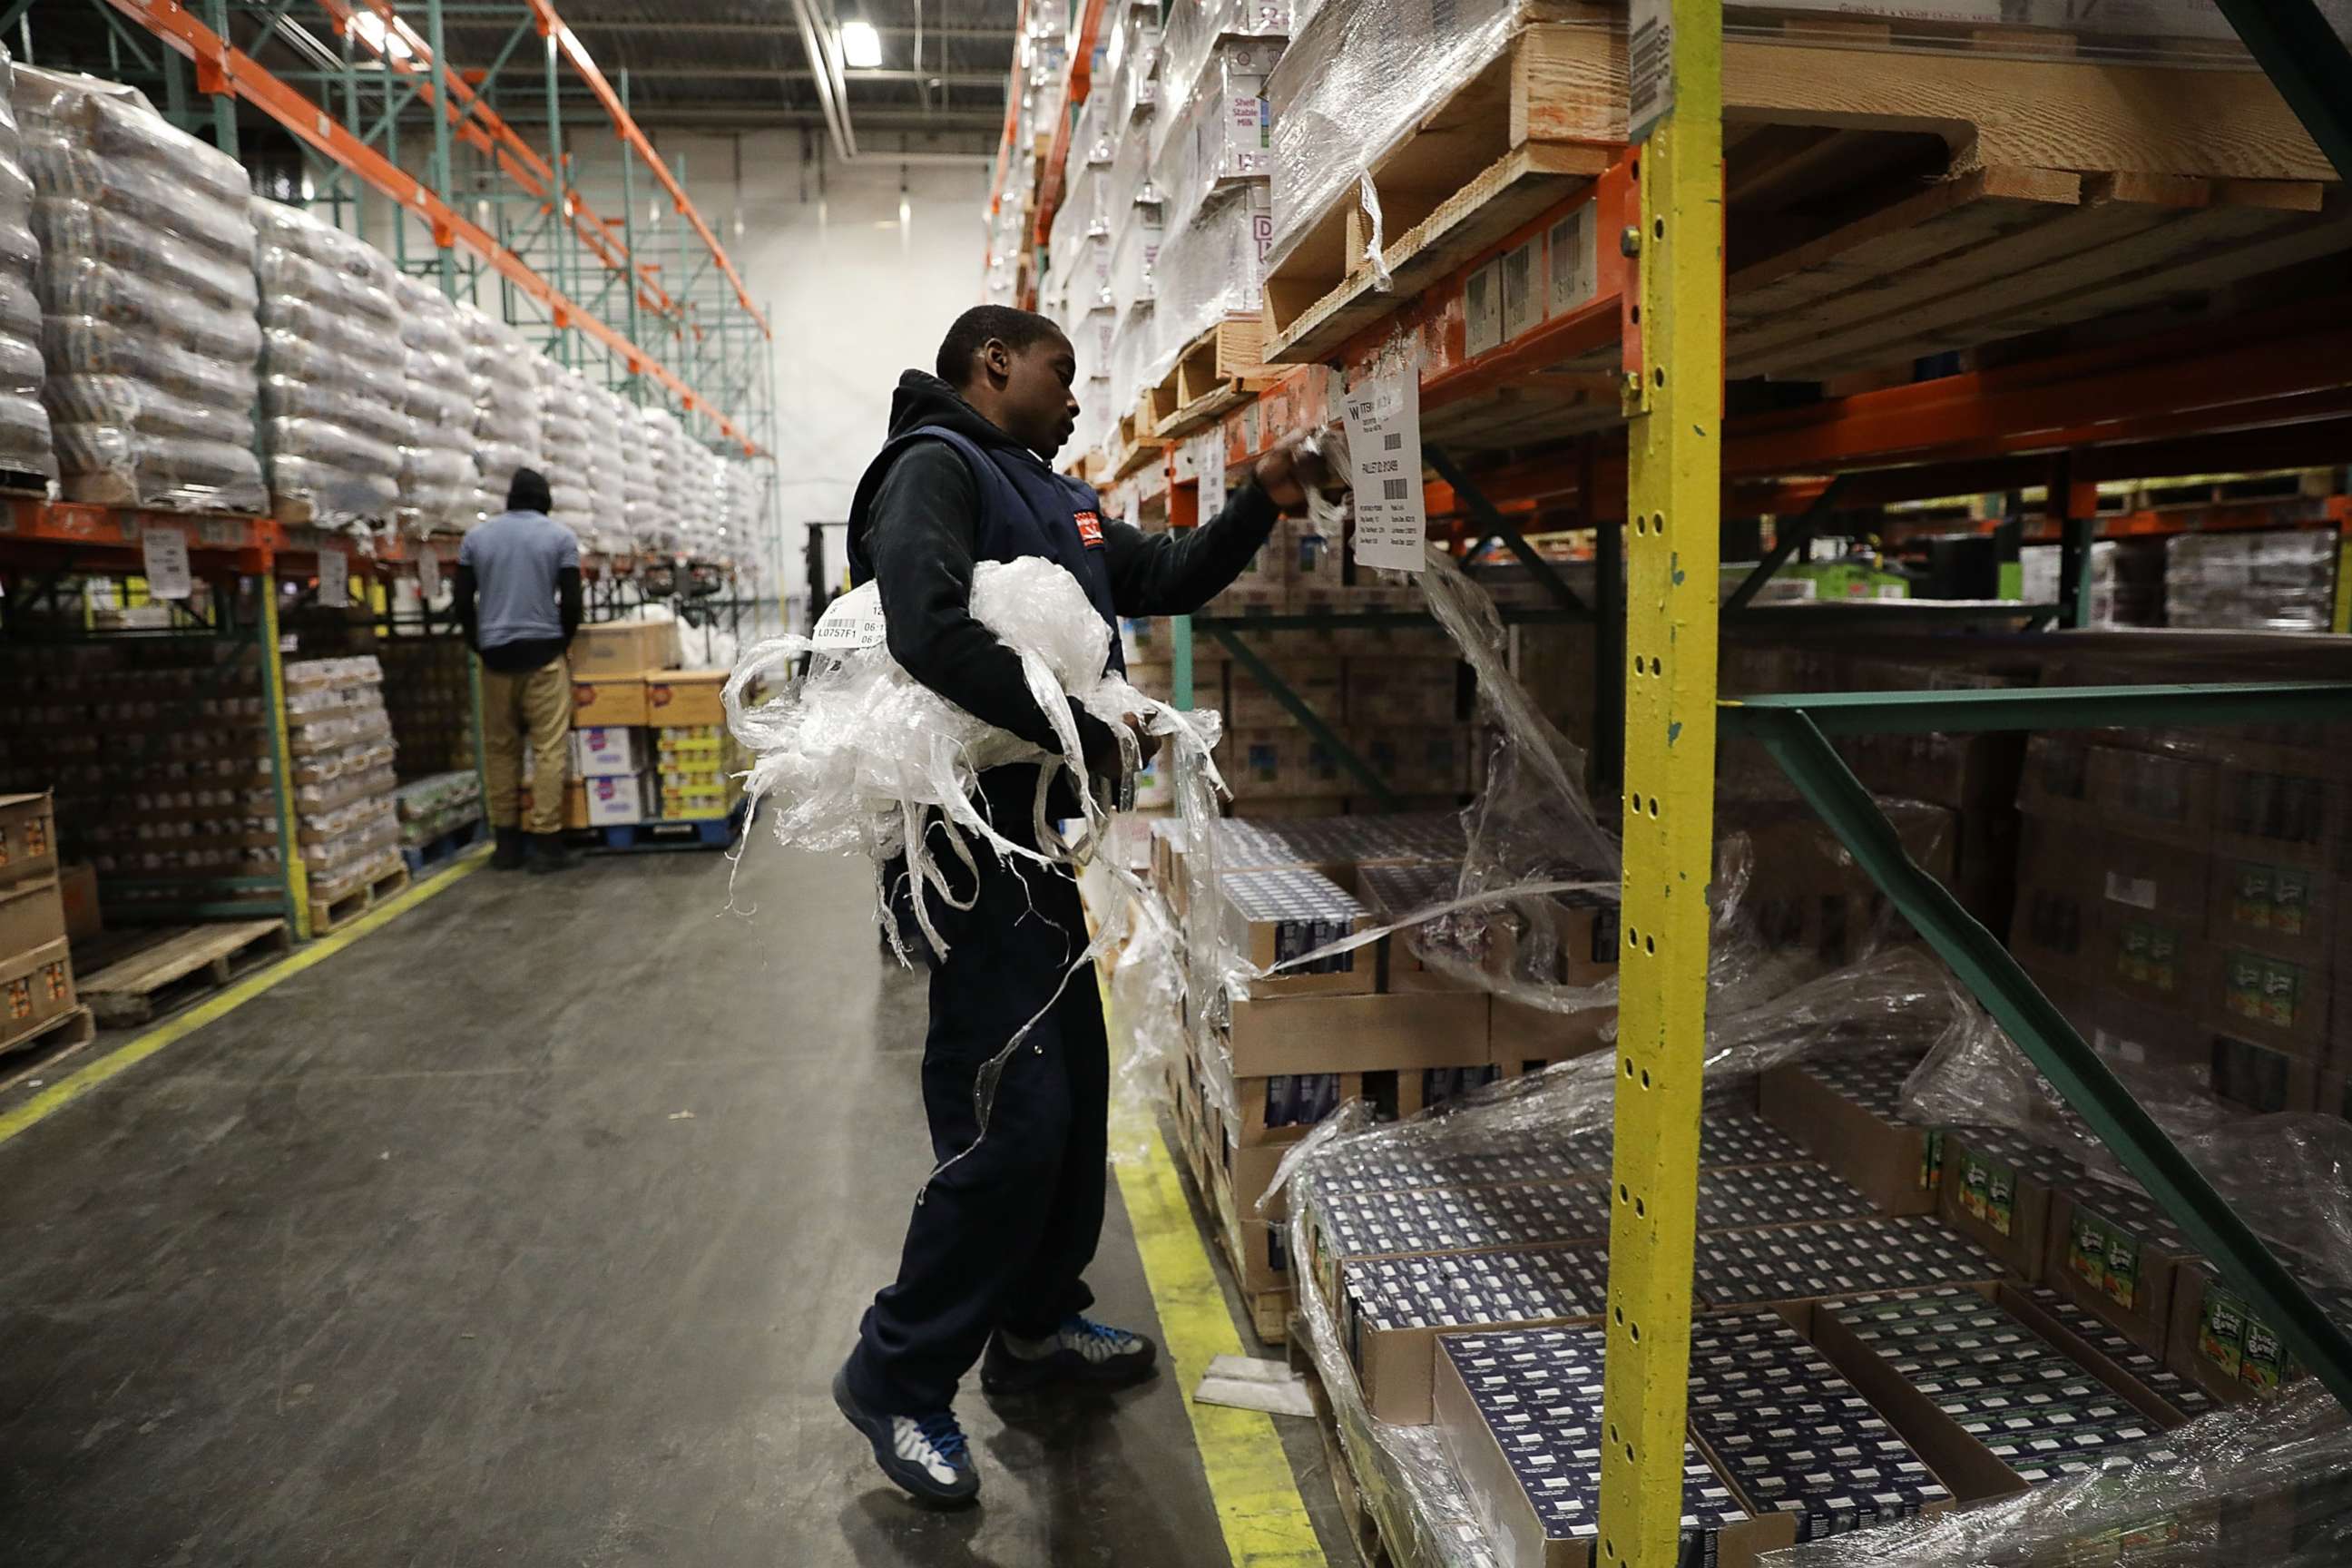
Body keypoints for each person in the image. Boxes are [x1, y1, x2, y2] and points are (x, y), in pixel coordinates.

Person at [831, 305, 1326, 1507]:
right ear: (991, 363)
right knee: (1013, 1114)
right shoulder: (932, 470)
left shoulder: (1062, 496)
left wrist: (1260, 491)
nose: (1075, 393)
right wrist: (1080, 716)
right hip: (968, 838)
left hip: (1039, 840)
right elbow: (925, 626)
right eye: (1061, 371)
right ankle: (896, 1374)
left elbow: (1155, 576)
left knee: (1075, 1095)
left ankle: (1038, 1323)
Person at [455, 466, 584, 874]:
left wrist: (479, 643)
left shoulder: (475, 539)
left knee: (499, 748)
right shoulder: (560, 537)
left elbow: (461, 600)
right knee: (548, 748)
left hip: (494, 658)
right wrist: (560, 643)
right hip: (543, 655)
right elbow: (573, 602)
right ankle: (547, 844)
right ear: (545, 500)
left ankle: (506, 844)